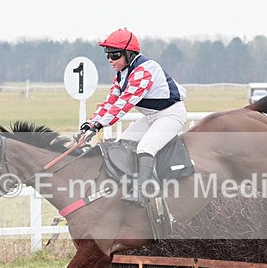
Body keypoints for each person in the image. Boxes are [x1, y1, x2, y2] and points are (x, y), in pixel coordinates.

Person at [76, 28, 187, 207]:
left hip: (171, 115)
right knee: (122, 144)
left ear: (129, 54)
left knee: (145, 147)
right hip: (152, 117)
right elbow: (110, 102)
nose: (110, 60)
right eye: (107, 55)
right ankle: (126, 186)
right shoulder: (121, 75)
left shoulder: (145, 70)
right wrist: (89, 124)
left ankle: (142, 193)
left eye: (115, 55)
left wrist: (98, 126)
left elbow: (123, 104)